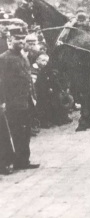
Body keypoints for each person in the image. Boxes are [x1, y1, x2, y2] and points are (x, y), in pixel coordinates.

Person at [0, 27, 40, 174]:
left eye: (23, 38)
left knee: (25, 131)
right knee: (17, 131)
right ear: (10, 40)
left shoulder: (23, 56)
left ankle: (24, 160)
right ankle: (17, 161)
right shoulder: (4, 58)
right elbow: (2, 82)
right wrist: (3, 100)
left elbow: (29, 78)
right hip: (13, 102)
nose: (21, 41)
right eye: (18, 38)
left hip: (26, 101)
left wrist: (33, 97)